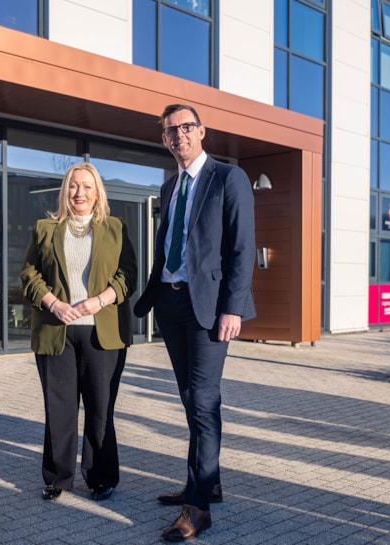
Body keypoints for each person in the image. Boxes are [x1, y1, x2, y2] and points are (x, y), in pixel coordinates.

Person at [134, 104, 256, 541]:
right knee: (191, 399)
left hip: (208, 309)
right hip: (170, 304)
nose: (178, 135)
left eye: (186, 127)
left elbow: (242, 248)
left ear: (202, 131)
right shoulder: (169, 187)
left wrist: (233, 308)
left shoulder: (228, 178)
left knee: (203, 401)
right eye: (170, 131)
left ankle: (198, 507)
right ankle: (207, 482)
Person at [20, 162, 137, 503]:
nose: (79, 193)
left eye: (87, 187)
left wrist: (100, 300)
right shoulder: (44, 228)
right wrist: (54, 303)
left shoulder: (115, 228)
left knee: (100, 409)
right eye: (73, 186)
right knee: (60, 408)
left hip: (103, 334)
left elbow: (128, 275)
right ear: (65, 191)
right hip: (56, 331)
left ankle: (100, 478)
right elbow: (28, 273)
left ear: (97, 192)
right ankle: (59, 477)